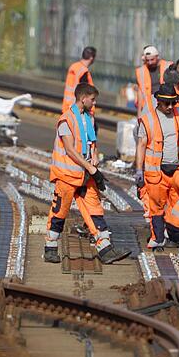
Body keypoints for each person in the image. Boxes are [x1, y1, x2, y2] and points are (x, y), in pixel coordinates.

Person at [45, 83, 131, 265]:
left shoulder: (89, 119)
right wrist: (91, 169)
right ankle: (50, 247)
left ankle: (106, 249)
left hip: (84, 175)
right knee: (59, 212)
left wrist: (94, 159)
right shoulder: (66, 120)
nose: (94, 102)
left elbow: (91, 143)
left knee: (95, 210)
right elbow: (70, 150)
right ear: (83, 98)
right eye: (93, 99)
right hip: (67, 175)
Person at [135, 83, 179, 250]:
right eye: (167, 103)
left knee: (177, 207)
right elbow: (141, 145)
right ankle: (158, 237)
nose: (170, 107)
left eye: (173, 103)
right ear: (158, 101)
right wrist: (139, 170)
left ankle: (174, 235)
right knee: (156, 206)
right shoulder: (148, 120)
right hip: (156, 172)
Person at [135, 45, 172, 114]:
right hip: (149, 105)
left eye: (152, 59)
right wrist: (139, 112)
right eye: (147, 60)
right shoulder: (141, 71)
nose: (150, 62)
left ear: (157, 57)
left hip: (165, 104)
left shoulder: (168, 66)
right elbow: (140, 92)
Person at [62, 46, 96, 113]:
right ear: (91, 58)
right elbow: (86, 94)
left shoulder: (74, 66)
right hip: (78, 110)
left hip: (68, 106)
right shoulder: (84, 72)